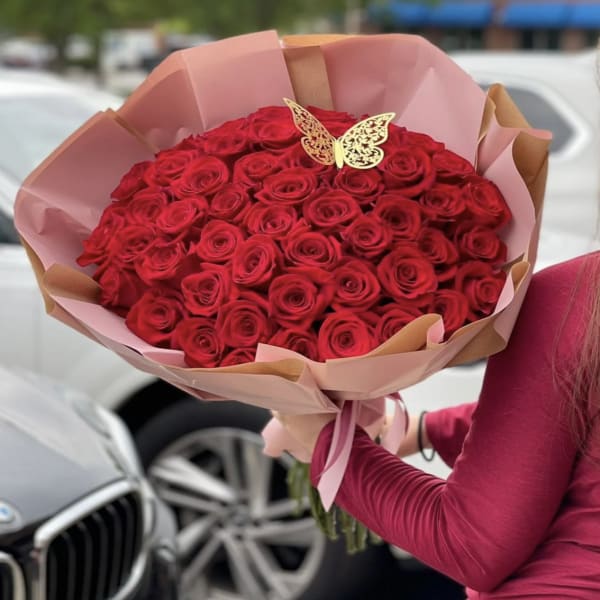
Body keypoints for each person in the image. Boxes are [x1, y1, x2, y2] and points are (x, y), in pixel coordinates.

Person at [276, 251, 600, 598]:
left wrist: (329, 444)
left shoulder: (576, 296)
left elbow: (472, 546)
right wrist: (428, 429)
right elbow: (568, 411)